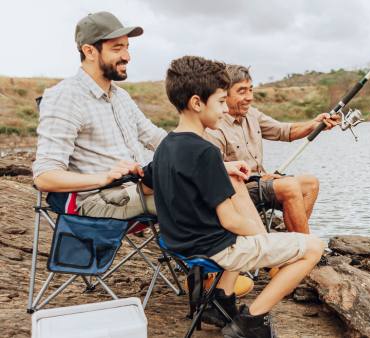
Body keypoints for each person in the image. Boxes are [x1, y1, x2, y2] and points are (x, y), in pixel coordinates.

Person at [32, 11, 255, 295]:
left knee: (230, 181)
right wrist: (103, 177)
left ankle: (232, 268)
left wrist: (217, 164)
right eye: (117, 48)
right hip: (101, 198)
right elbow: (45, 177)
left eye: (127, 47)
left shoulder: (120, 96)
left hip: (141, 187)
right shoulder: (64, 97)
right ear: (89, 51)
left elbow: (159, 140)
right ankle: (216, 278)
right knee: (203, 197)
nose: (127, 56)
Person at [144, 55, 324, 338]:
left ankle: (220, 300)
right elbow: (229, 220)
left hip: (179, 242)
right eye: (219, 102)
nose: (224, 109)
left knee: (237, 185)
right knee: (314, 247)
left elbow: (148, 183)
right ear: (196, 103)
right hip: (214, 248)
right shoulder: (206, 153)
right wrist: (262, 238)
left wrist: (224, 171)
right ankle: (251, 320)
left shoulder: (166, 145)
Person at [205, 65, 340, 234]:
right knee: (289, 186)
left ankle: (293, 238)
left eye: (251, 90)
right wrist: (259, 178)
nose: (249, 97)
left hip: (260, 183)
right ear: (225, 94)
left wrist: (315, 124)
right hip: (237, 193)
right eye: (242, 91)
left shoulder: (252, 114)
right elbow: (216, 174)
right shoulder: (214, 125)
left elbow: (285, 131)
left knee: (310, 184)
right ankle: (304, 246)